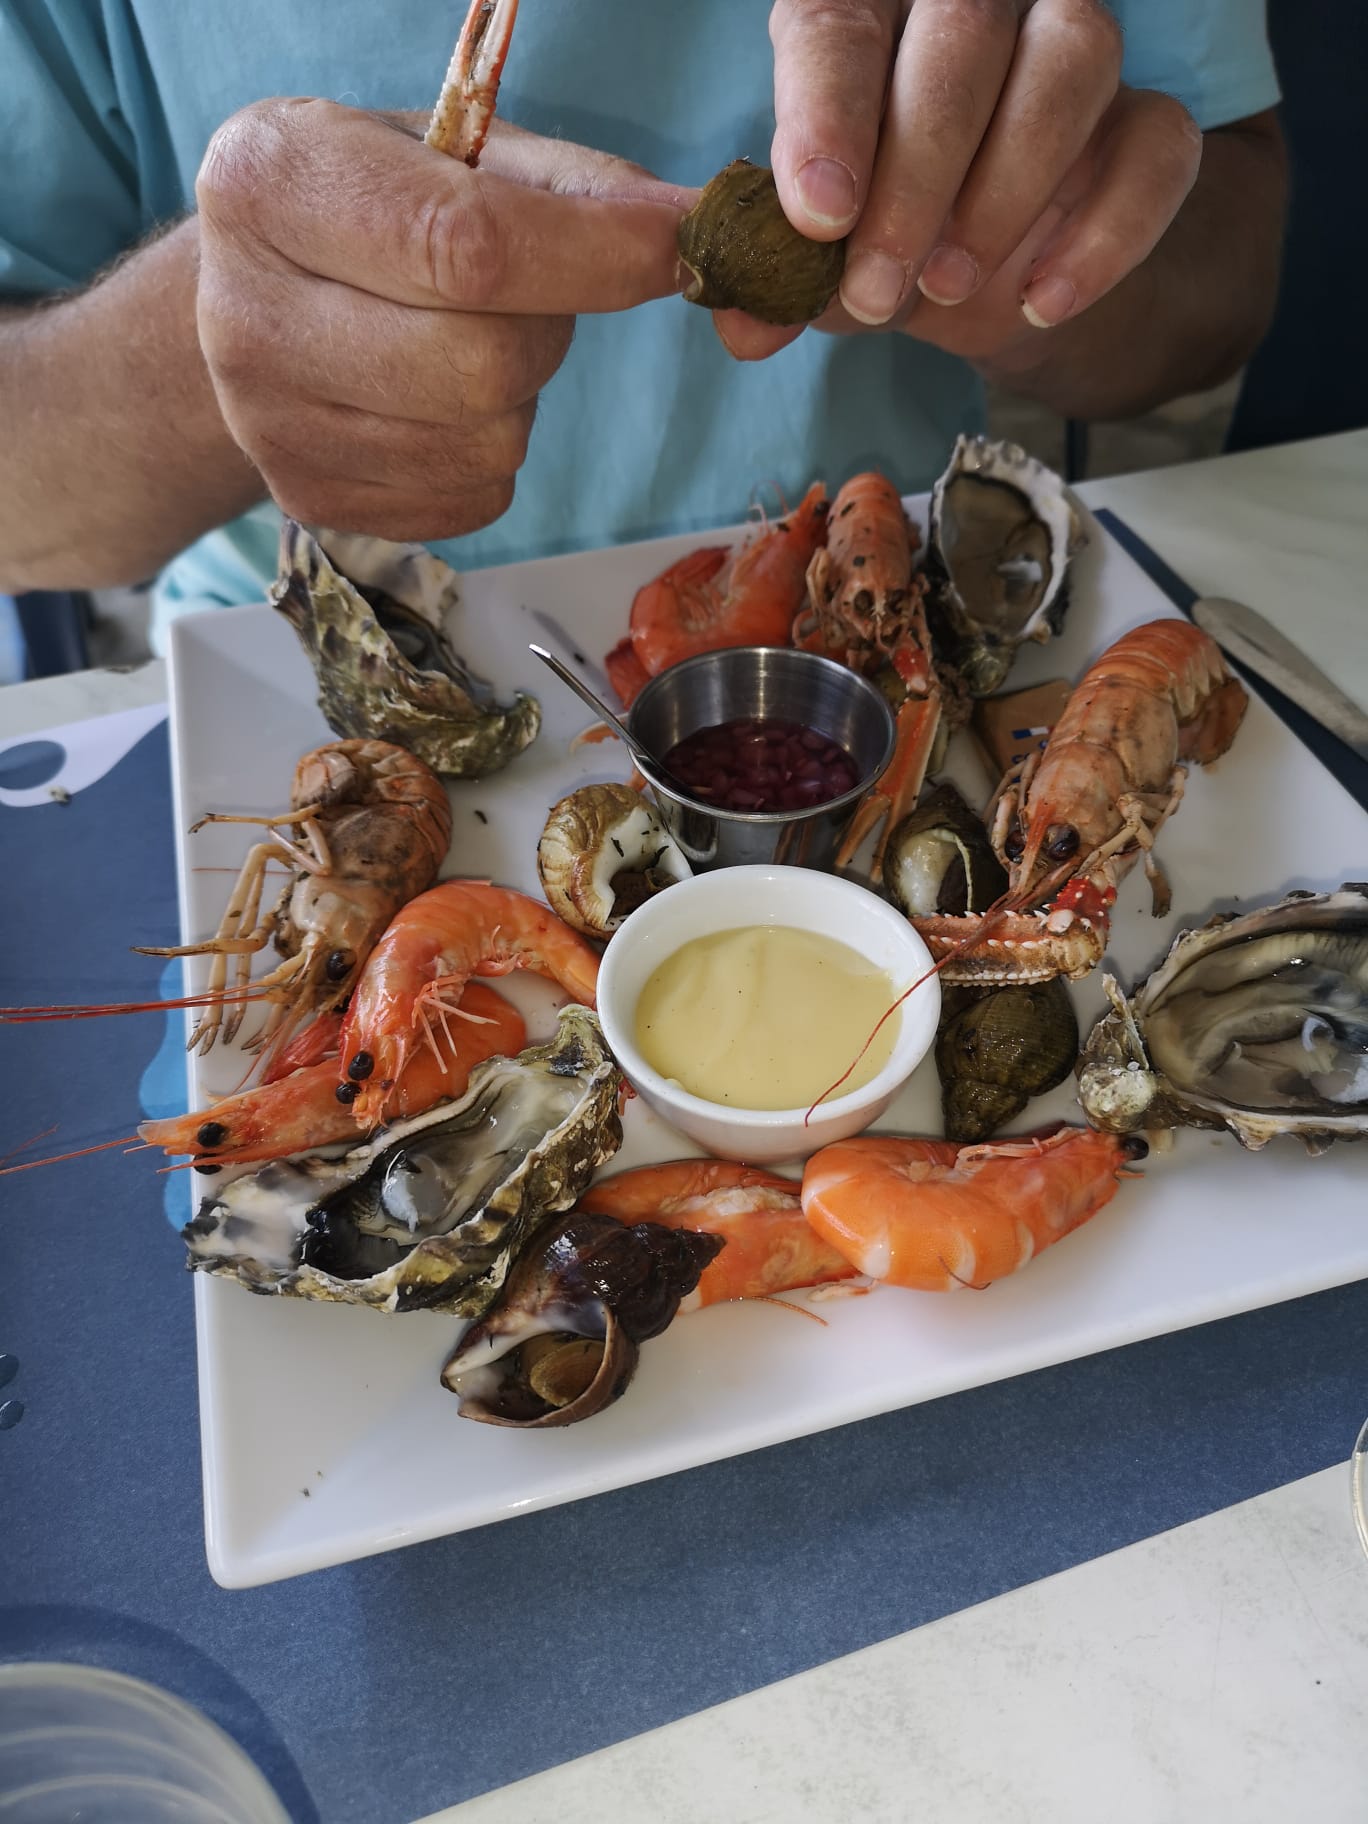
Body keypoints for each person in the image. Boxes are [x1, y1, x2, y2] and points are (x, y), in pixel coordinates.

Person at [0, 1, 1286, 651]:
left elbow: (1224, 281)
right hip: (288, 651)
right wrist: (216, 344)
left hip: (880, 600)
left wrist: (1034, 256)